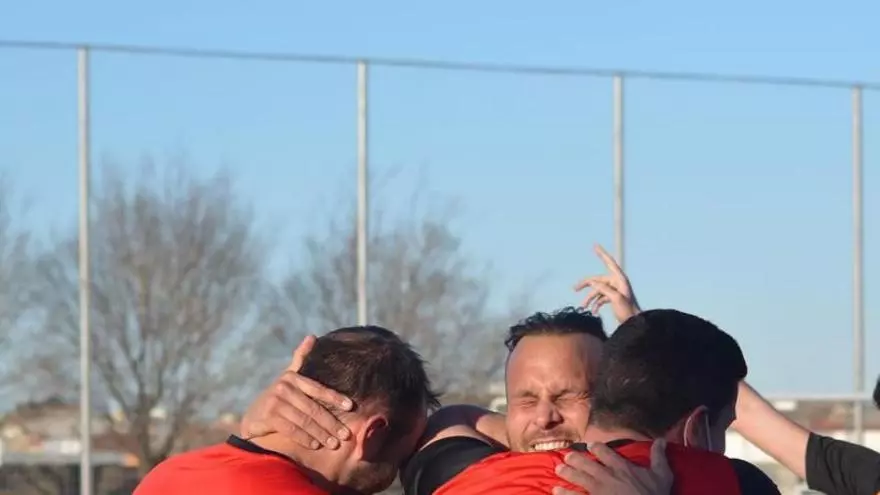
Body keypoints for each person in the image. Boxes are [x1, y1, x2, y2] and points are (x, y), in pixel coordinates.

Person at [398, 309, 779, 495]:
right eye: (525, 401)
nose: (544, 418)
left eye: (568, 396)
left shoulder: (462, 479)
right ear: (698, 427)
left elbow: (456, 419)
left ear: (607, 392)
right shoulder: (732, 484)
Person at [134, 326, 440, 495]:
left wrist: (250, 434)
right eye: (405, 455)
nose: (399, 471)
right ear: (372, 435)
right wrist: (455, 442)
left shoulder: (166, 477)